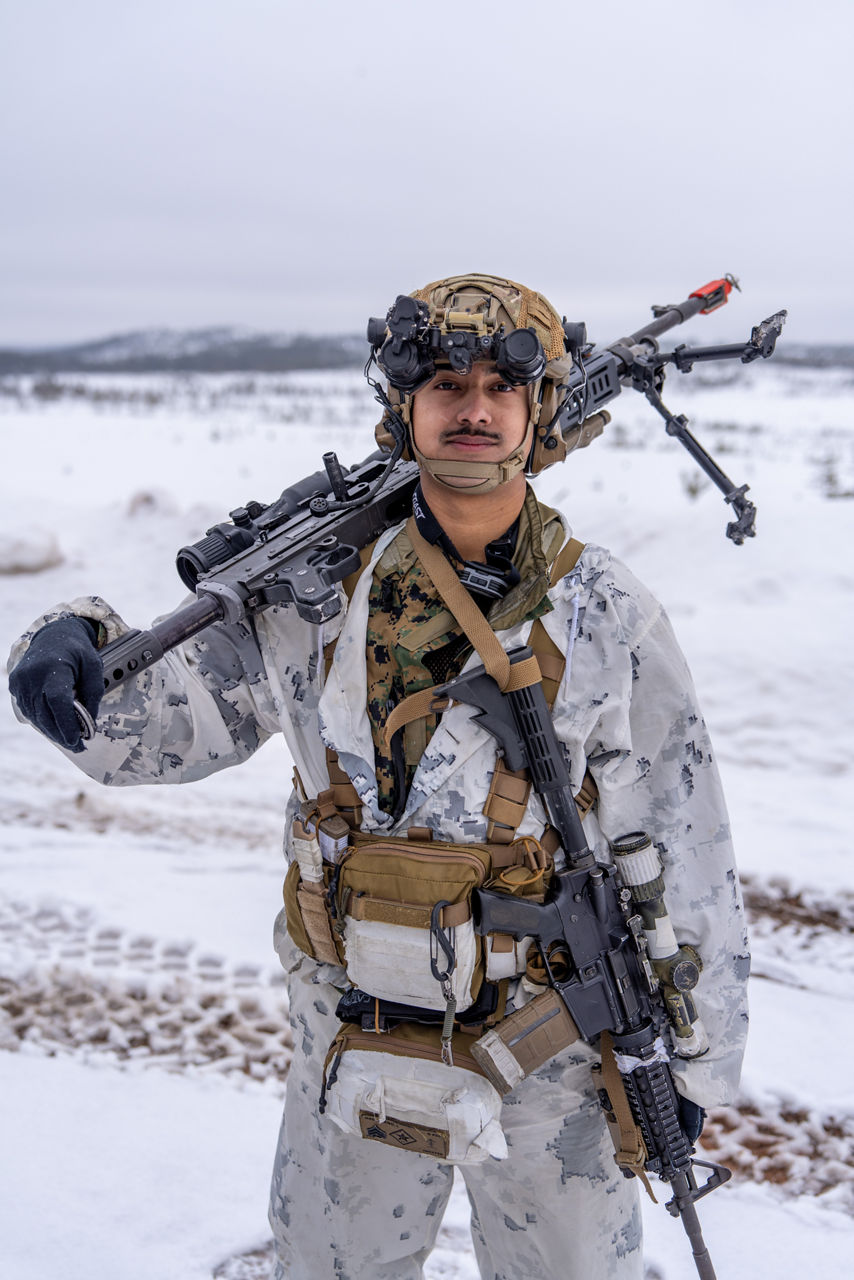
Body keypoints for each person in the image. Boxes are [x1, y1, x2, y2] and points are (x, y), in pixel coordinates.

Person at [7, 274, 749, 1280]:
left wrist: (695, 1057)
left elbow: (680, 834)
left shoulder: (604, 610)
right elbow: (163, 728)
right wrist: (70, 645)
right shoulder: (309, 594)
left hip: (550, 1046)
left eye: (499, 385)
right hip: (351, 1028)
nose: (473, 407)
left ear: (538, 414)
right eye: (444, 383)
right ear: (402, 407)